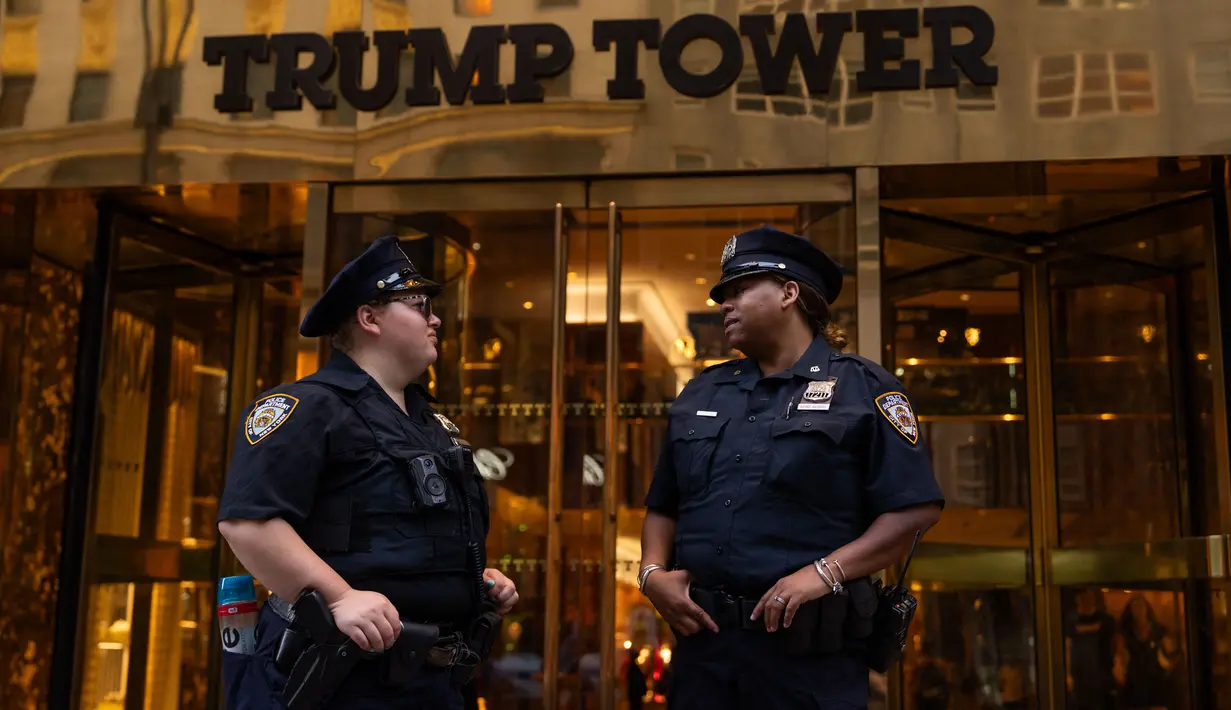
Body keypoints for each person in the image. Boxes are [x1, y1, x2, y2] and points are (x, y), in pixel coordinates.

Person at [637, 225, 945, 710]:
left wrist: (823, 573)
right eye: (724, 295)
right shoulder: (701, 392)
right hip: (705, 653)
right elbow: (663, 504)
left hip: (807, 657)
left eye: (740, 290)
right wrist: (651, 572)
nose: (725, 305)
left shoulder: (864, 388)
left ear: (789, 293)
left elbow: (914, 511)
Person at [216, 235, 518, 709]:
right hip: (341, 676)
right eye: (418, 305)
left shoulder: (432, 424)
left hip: (432, 677)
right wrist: (338, 597)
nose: (434, 318)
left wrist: (472, 580)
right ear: (370, 317)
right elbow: (247, 523)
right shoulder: (307, 406)